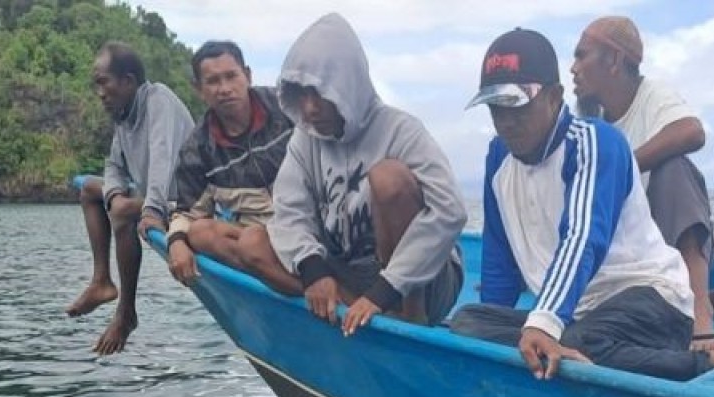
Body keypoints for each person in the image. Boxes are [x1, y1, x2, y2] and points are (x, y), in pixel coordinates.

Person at [451, 28, 714, 381]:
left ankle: (704, 365)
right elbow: (499, 255)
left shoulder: (595, 142)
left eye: (518, 106)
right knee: (469, 321)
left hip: (648, 298)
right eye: (495, 108)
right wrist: (494, 341)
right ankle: (576, 350)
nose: (506, 121)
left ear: (554, 97)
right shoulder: (498, 158)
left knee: (576, 338)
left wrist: (545, 323)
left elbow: (582, 236)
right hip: (576, 313)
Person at [233, 13, 467, 336]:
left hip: (422, 283)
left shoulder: (400, 130)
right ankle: (358, 313)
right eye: (302, 95)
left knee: (388, 179)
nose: (311, 109)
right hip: (353, 274)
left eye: (320, 93)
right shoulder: (305, 139)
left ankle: (411, 321)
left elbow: (450, 210)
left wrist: (387, 289)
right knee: (251, 243)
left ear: (347, 85)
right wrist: (312, 268)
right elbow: (289, 212)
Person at [571, 16, 714, 352]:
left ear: (614, 60)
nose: (573, 69)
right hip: (633, 257)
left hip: (679, 240)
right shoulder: (586, 123)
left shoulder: (652, 95)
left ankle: (699, 311)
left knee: (674, 168)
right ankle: (686, 299)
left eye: (581, 56)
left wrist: (620, 168)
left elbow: (692, 131)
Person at [66, 42, 196, 355]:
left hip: (184, 199)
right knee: (90, 191)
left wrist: (149, 209)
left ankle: (126, 313)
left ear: (127, 82)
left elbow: (163, 156)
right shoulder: (123, 116)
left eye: (103, 82)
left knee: (123, 211)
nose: (99, 92)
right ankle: (101, 281)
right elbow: (114, 164)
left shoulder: (158, 100)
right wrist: (112, 192)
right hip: (154, 194)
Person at [137, 40, 294, 289]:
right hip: (261, 240)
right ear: (199, 89)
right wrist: (176, 241)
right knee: (200, 233)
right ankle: (299, 291)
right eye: (213, 81)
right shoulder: (198, 149)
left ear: (248, 76)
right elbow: (187, 212)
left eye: (231, 76)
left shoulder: (287, 108)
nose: (224, 89)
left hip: (309, 221)